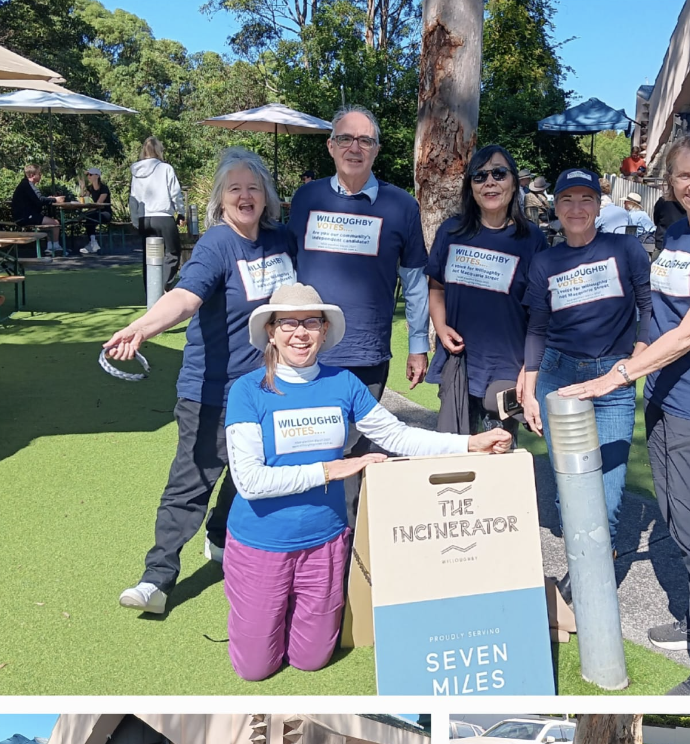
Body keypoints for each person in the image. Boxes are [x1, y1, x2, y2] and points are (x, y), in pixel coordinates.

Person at [558, 132, 690, 696]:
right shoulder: (679, 232)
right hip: (666, 394)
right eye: (683, 176)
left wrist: (618, 375)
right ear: (669, 182)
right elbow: (661, 315)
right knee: (676, 517)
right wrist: (636, 359)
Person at [224, 283, 511, 681]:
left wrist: (469, 443)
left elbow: (397, 435)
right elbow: (251, 482)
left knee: (312, 659)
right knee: (255, 669)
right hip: (261, 544)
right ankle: (262, 609)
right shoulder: (248, 391)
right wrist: (330, 470)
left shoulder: (342, 384)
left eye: (310, 322)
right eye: (287, 323)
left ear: (324, 331)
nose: (300, 333)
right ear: (271, 332)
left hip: (324, 540)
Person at [107, 148, 297, 616]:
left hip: (267, 388)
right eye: (234, 188)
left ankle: (218, 538)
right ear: (220, 199)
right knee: (190, 482)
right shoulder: (216, 244)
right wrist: (142, 328)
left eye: (253, 187)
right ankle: (157, 578)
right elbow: (186, 298)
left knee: (249, 471)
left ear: (267, 195)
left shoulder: (282, 241)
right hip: (211, 390)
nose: (245, 196)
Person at [520, 167, 653, 571]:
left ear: (598, 206)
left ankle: (595, 574)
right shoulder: (545, 261)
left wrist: (639, 357)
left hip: (612, 379)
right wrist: (528, 387)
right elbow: (537, 328)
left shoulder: (626, 250)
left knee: (608, 493)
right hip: (559, 376)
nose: (576, 208)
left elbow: (648, 307)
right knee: (569, 489)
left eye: (586, 199)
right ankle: (585, 570)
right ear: (556, 207)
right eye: (567, 200)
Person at [287, 106, 429, 425]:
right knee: (305, 449)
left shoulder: (402, 207)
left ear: (377, 150)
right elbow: (287, 271)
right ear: (331, 146)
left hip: (367, 352)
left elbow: (416, 283)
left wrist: (418, 346)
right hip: (304, 349)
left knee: (355, 450)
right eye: (346, 138)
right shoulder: (306, 199)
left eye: (365, 140)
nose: (355, 148)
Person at [426, 144, 546, 439]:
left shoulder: (531, 239)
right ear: (470, 186)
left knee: (499, 457)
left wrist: (529, 370)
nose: (489, 182)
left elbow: (542, 315)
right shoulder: (451, 232)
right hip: (459, 364)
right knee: (454, 454)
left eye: (499, 173)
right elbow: (436, 286)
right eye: (479, 176)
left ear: (514, 181)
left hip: (508, 368)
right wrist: (440, 328)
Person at [129, 136, 184, 290]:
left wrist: (135, 220)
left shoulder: (136, 172)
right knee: (172, 253)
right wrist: (180, 212)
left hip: (144, 218)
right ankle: (163, 286)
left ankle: (150, 290)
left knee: (149, 256)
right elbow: (175, 193)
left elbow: (133, 198)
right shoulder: (165, 168)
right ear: (159, 150)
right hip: (163, 216)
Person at [12, 163, 63, 252]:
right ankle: (55, 247)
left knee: (49, 223)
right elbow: (39, 200)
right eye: (39, 173)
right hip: (25, 217)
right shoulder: (28, 185)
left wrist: (48, 199)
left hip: (23, 215)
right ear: (32, 175)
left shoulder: (25, 184)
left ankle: (50, 247)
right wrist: (55, 200)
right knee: (55, 223)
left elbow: (36, 199)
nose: (41, 175)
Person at [80, 167, 111, 256]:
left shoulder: (104, 188)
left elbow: (99, 204)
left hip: (105, 213)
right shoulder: (90, 188)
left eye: (90, 174)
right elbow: (84, 200)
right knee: (88, 218)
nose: (88, 177)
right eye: (88, 175)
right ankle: (93, 242)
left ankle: (93, 243)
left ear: (97, 176)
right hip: (96, 212)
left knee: (89, 217)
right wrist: (82, 188)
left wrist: (89, 211)